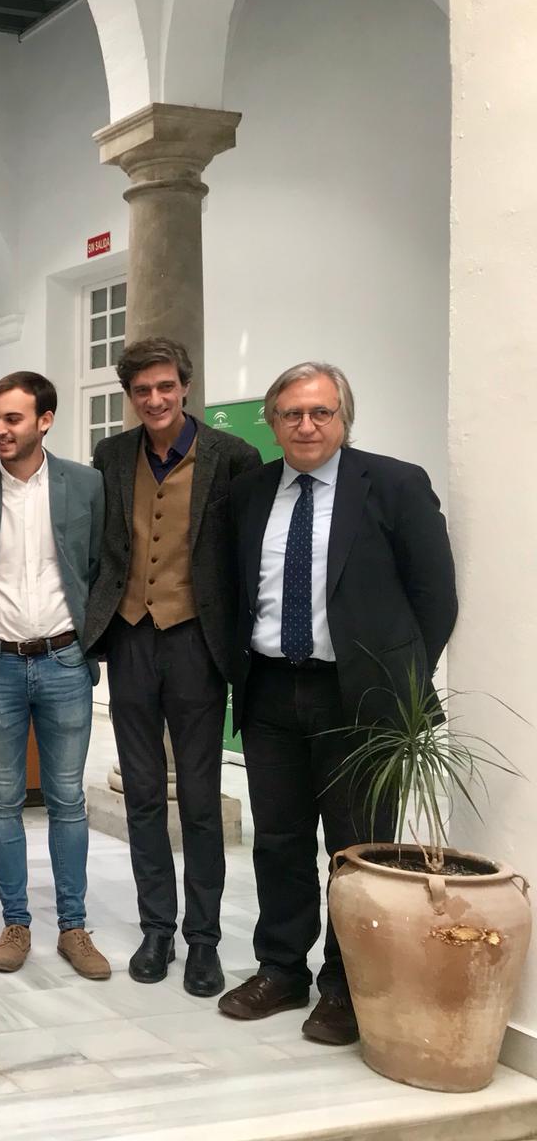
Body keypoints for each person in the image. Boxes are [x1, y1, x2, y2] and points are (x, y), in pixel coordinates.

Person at [219, 362, 456, 1045]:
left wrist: (397, 680)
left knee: (358, 848)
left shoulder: (395, 484)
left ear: (344, 419)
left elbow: (435, 596)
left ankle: (347, 986)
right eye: (291, 413)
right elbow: (236, 589)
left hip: (361, 698)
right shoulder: (249, 493)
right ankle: (281, 969)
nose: (306, 425)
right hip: (270, 691)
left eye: (321, 412)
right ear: (271, 422)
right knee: (278, 840)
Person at [82, 338, 261, 996]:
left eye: (165, 387)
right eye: (142, 391)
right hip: (131, 637)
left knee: (202, 800)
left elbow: (244, 555)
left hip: (196, 641)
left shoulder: (231, 456)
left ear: (185, 386)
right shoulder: (111, 455)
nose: (154, 399)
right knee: (143, 796)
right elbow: (105, 546)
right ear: (130, 397)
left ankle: (203, 939)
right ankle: (156, 929)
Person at [0, 372, 109, 981]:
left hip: (64, 659)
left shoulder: (86, 485)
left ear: (45, 421)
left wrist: (91, 642)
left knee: (67, 798)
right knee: (4, 800)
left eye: (12, 419)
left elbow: (97, 565)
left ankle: (74, 926)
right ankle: (16, 923)